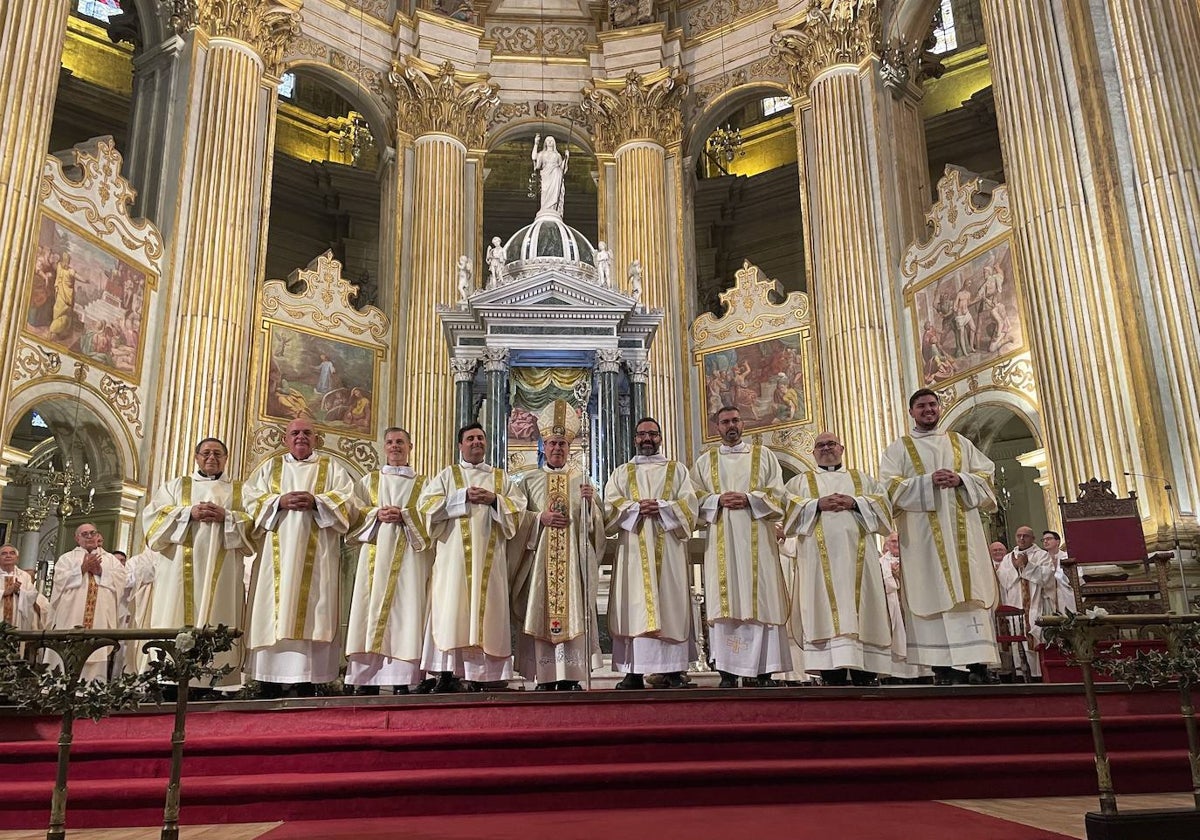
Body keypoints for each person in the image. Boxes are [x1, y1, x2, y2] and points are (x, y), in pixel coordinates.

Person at [879, 389, 999, 685]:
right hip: (923, 541)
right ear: (911, 412)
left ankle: (977, 665)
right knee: (930, 591)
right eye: (921, 406)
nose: (928, 410)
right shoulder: (899, 449)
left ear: (939, 407)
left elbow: (987, 475)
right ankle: (941, 668)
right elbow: (888, 490)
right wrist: (926, 482)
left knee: (970, 595)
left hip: (964, 538)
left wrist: (962, 479)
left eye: (932, 404)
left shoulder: (960, 443)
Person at [243, 418, 357, 697]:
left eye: (307, 433)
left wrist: (318, 502)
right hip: (275, 558)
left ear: (317, 439)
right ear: (285, 439)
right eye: (295, 433)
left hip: (318, 557)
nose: (301, 437)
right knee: (273, 611)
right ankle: (267, 680)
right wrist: (278, 502)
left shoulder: (333, 469)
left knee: (313, 610)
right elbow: (248, 501)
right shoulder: (269, 468)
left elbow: (349, 504)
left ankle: (308, 679)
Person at [417, 423, 527, 692]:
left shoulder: (500, 479)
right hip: (453, 561)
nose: (476, 442)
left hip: (491, 563)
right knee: (450, 612)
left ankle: (487, 677)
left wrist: (494, 500)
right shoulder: (446, 476)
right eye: (470, 439)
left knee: (488, 612)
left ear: (486, 444)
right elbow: (426, 508)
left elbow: (518, 511)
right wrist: (461, 496)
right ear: (460, 445)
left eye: (480, 438)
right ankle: (446, 674)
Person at [141, 437, 254, 687]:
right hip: (178, 571)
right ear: (196, 457)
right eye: (206, 453)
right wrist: (187, 513)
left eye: (217, 454)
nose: (211, 458)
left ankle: (217, 679)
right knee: (176, 615)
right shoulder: (174, 487)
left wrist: (227, 516)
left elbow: (253, 526)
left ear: (226, 459)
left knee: (220, 618)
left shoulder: (240, 490)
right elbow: (151, 520)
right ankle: (170, 678)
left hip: (223, 572)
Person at [692, 406, 792, 688]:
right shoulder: (705, 461)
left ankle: (763, 671)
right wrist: (717, 501)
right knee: (727, 604)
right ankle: (727, 671)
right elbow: (693, 499)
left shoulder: (764, 456)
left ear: (743, 423)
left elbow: (779, 494)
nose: (731, 425)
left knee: (760, 601)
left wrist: (749, 499)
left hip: (758, 542)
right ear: (717, 427)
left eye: (735, 420)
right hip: (721, 544)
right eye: (725, 422)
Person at [784, 432, 893, 687]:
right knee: (822, 608)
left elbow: (885, 506)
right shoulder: (801, 483)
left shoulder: (861, 479)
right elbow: (786, 511)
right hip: (817, 565)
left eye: (831, 444)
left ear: (842, 448)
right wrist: (816, 505)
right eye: (820, 445)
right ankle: (829, 671)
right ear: (812, 453)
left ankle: (865, 672)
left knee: (862, 608)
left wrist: (854, 502)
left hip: (859, 560)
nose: (826, 449)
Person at [512, 401, 605, 691]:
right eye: (552, 443)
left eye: (563, 444)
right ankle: (545, 676)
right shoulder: (528, 482)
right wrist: (539, 517)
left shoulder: (583, 483)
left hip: (573, 568)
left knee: (574, 614)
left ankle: (572, 675)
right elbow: (515, 520)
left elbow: (596, 529)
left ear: (569, 447)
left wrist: (591, 505)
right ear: (543, 445)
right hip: (540, 566)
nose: (557, 449)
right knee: (540, 613)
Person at [603, 417, 698, 690]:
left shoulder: (677, 470)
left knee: (670, 603)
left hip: (668, 549)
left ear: (660, 437)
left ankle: (673, 671)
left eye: (652, 434)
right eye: (642, 434)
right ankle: (633, 671)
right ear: (635, 439)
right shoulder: (622, 472)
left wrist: (662, 508)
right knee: (634, 606)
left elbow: (690, 505)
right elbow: (609, 506)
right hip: (633, 550)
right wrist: (635, 508)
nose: (647, 439)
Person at [344, 427, 433, 695]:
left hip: (410, 560)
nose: (395, 447)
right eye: (391, 442)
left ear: (411, 447)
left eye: (401, 442)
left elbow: (431, 517)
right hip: (375, 554)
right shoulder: (369, 481)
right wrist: (375, 515)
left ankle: (403, 679)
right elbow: (352, 513)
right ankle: (364, 679)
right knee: (368, 612)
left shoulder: (424, 484)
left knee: (407, 612)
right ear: (384, 447)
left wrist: (405, 515)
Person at [48, 524, 128, 682]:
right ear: (77, 538)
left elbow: (121, 580)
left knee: (96, 649)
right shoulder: (67, 559)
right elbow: (59, 582)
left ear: (98, 536)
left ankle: (93, 691)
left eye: (93, 533)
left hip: (99, 616)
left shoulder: (110, 560)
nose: (90, 536)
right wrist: (82, 569)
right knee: (66, 650)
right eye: (85, 534)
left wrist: (101, 572)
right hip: (71, 615)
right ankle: (60, 689)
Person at [996, 526, 1054, 680]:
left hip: (1035, 605)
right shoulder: (1009, 558)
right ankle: (1021, 675)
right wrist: (1015, 567)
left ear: (1033, 539)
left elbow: (1047, 577)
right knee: (1017, 639)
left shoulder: (1042, 555)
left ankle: (1038, 675)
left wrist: (1027, 566)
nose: (1021, 539)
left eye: (1025, 536)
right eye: (1018, 536)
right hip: (1016, 605)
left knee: (1036, 636)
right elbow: (1002, 578)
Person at [877, 532, 920, 679]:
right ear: (887, 544)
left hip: (913, 606)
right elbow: (885, 585)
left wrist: (901, 573)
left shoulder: (913, 559)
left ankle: (921, 674)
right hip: (893, 605)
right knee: (896, 637)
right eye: (893, 541)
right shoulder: (881, 562)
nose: (896, 544)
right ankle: (896, 674)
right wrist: (895, 575)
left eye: (899, 541)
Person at [1, 544, 48, 631]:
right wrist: (4, 592)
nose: (8, 555)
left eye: (12, 553)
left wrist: (20, 592)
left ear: (17, 558)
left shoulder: (24, 576)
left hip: (18, 619)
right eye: (4, 553)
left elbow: (32, 595)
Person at [532, 134, 568, 216]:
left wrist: (566, 158)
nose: (549, 142)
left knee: (555, 192)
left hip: (556, 175)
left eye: (551, 140)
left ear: (554, 143)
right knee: (545, 192)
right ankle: (545, 208)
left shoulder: (557, 155)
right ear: (545, 143)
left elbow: (562, 168)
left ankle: (554, 208)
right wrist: (536, 144)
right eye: (548, 140)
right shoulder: (542, 153)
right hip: (546, 175)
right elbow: (534, 157)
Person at [1041, 530, 1076, 613]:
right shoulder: (1042, 558)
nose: (1045, 541)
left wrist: (1056, 568)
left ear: (1057, 541)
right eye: (1043, 540)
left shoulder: (1067, 556)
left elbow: (1072, 576)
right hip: (1048, 594)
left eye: (1049, 539)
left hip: (1063, 592)